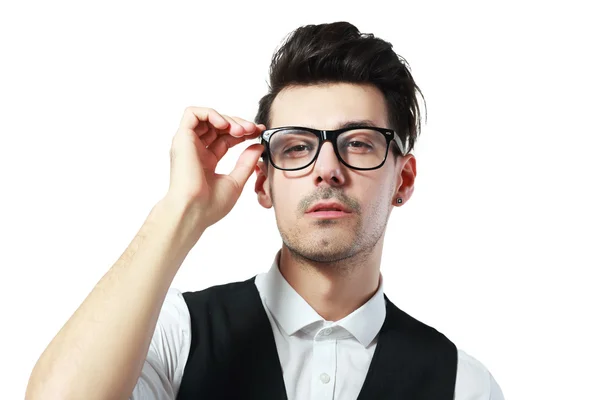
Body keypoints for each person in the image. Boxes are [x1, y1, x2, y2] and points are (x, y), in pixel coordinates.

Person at [26, 21, 504, 400]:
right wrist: (180, 211)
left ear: (403, 179)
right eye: (297, 147)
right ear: (262, 179)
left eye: (358, 144)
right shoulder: (179, 333)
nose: (327, 170)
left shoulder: (464, 385)